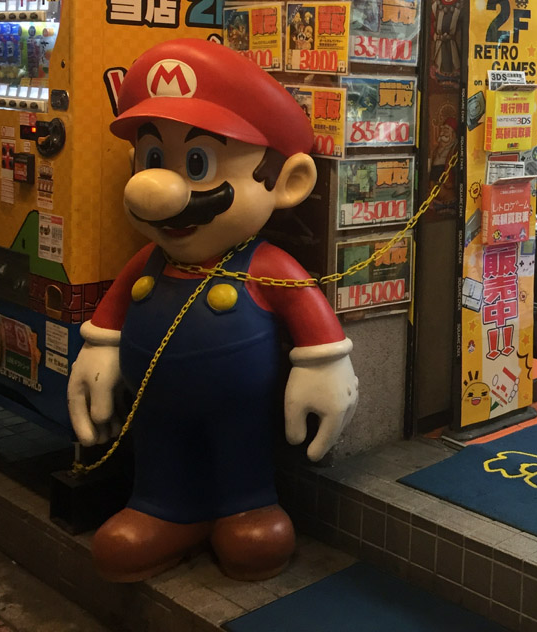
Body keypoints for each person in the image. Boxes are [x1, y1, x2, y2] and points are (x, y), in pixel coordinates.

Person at [67, 40, 359, 581]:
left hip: (239, 410)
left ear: (289, 182)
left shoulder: (264, 264)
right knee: (158, 451)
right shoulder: (150, 261)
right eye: (153, 159)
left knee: (240, 454)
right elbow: (112, 314)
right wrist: (100, 349)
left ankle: (246, 506)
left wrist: (325, 365)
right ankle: (161, 509)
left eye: (197, 163)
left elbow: (307, 311)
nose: (157, 189)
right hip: (154, 407)